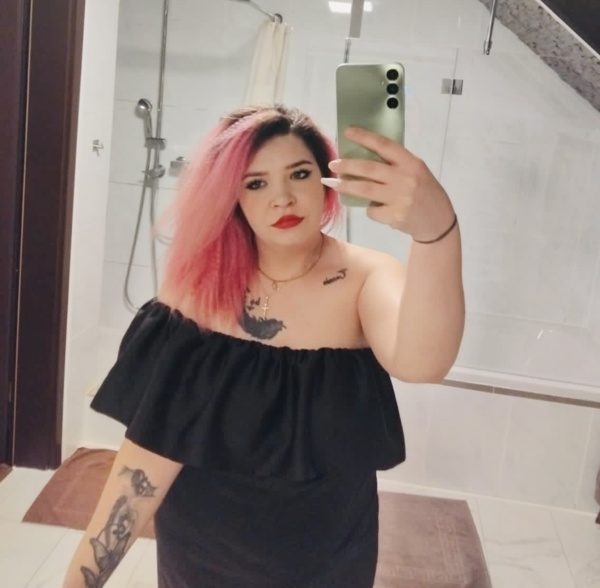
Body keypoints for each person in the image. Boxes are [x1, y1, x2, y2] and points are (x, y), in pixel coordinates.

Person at [63, 104, 464, 587]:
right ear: (230, 197)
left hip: (326, 562)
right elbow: (147, 457)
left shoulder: (365, 278)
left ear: (327, 181)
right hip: (201, 558)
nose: (283, 198)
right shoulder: (198, 290)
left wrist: (436, 232)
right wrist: (79, 581)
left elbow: (422, 363)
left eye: (300, 174)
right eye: (255, 183)